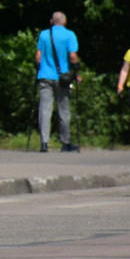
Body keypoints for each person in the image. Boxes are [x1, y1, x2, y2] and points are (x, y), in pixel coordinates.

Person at [35, 11, 81, 153]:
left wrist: (38, 67)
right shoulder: (69, 35)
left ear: (51, 21)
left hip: (45, 76)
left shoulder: (43, 35)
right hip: (62, 78)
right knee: (64, 110)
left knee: (45, 109)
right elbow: (73, 56)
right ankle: (65, 142)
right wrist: (76, 71)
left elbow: (38, 57)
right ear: (64, 22)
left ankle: (44, 142)